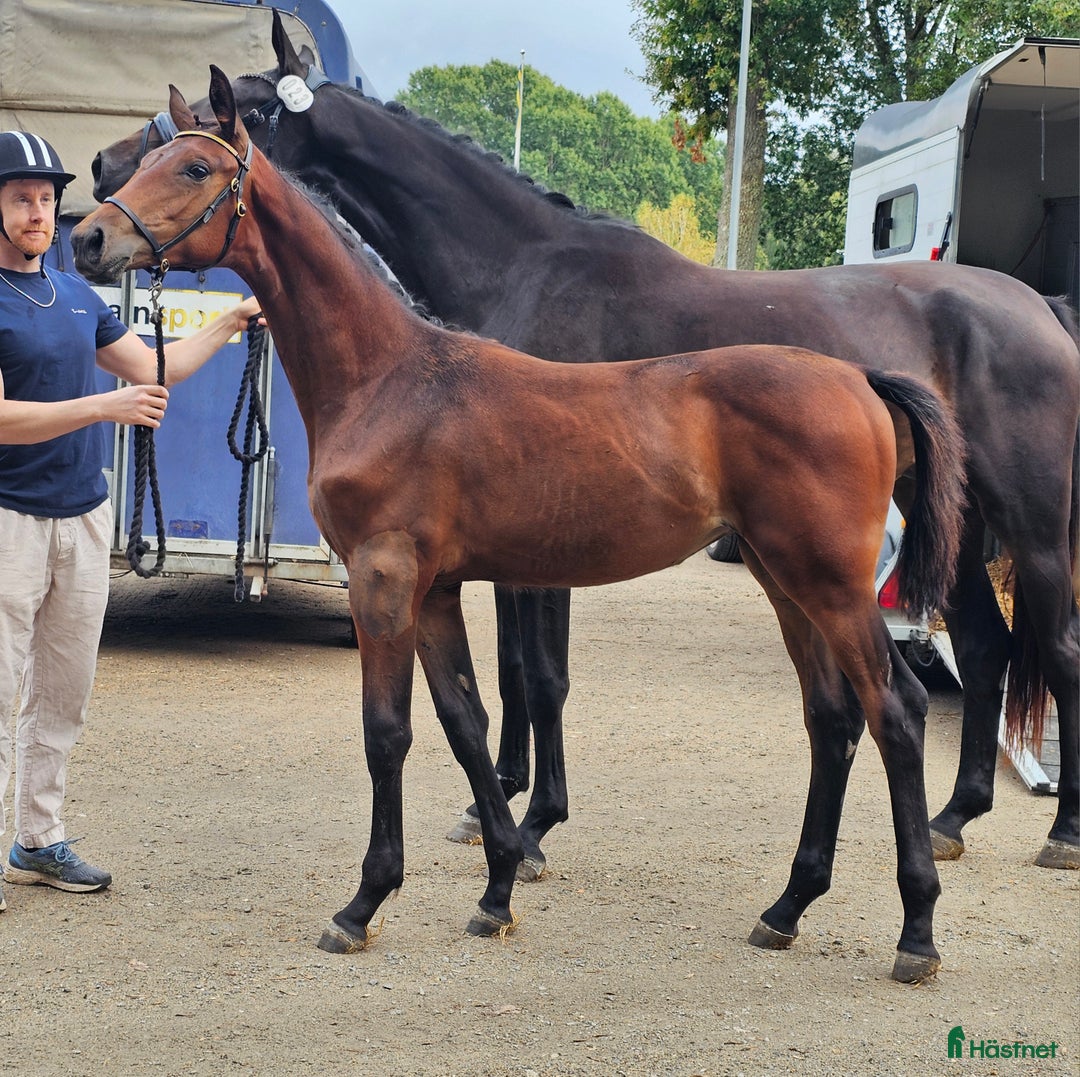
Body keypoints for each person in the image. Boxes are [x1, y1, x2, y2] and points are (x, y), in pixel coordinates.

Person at [0, 130, 260, 911]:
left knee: (63, 693)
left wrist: (230, 322)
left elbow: (157, 368)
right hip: (9, 518)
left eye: (46, 199)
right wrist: (106, 407)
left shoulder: (77, 297)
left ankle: (38, 839)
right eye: (21, 198)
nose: (37, 212)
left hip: (82, 519)